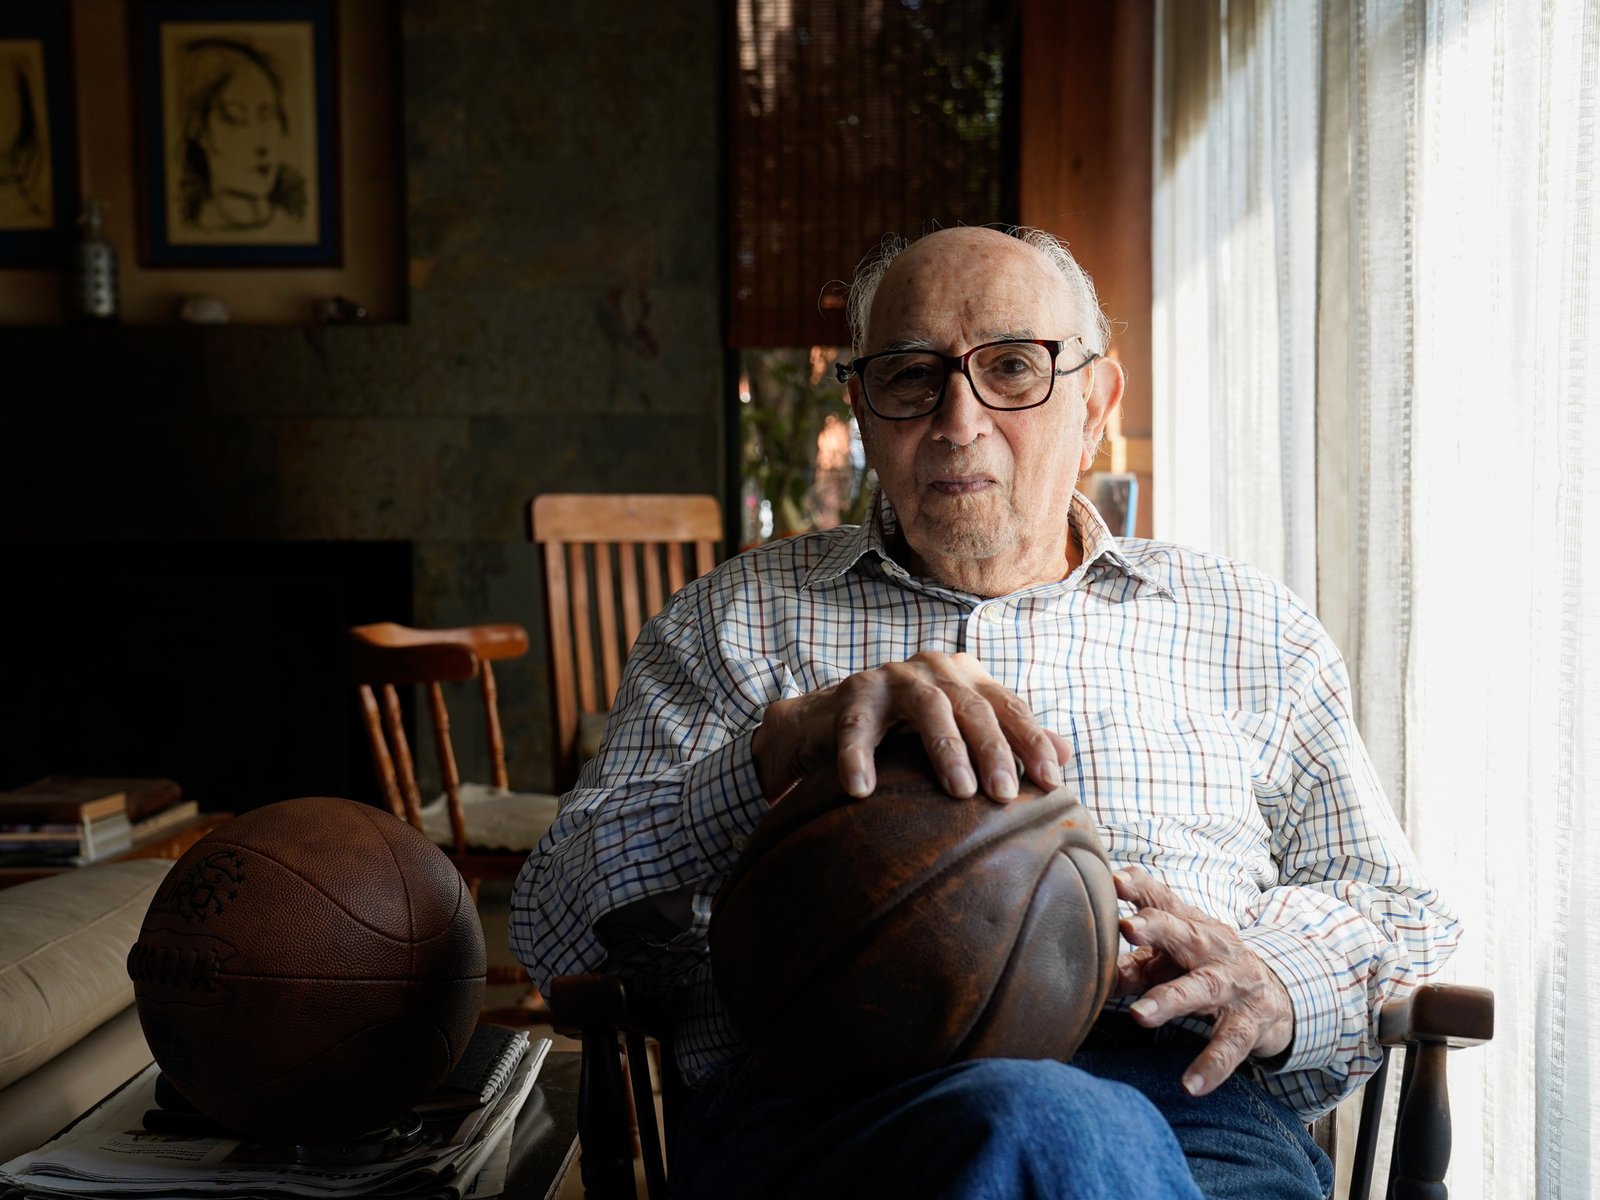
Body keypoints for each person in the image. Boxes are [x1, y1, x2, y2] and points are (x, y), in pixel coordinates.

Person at [511, 225, 1459, 1198]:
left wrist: (1268, 979)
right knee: (1034, 1124)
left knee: (1055, 1129)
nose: (959, 419)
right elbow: (551, 924)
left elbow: (1390, 907)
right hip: (822, 1116)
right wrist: (765, 763)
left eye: (1013, 367)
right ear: (864, 411)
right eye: (911, 376)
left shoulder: (1245, 623)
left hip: (1192, 1117)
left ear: (1095, 400)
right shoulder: (735, 624)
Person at [175, 38, 307, 235]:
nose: (261, 143)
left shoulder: (295, 223)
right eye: (236, 119)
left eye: (268, 116)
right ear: (198, 131)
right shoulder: (191, 227)